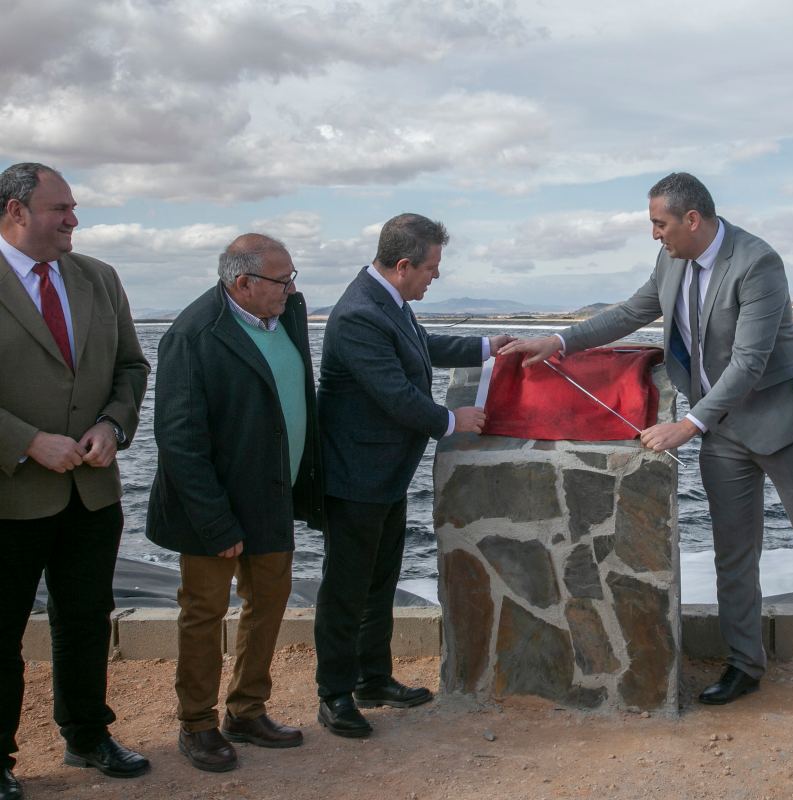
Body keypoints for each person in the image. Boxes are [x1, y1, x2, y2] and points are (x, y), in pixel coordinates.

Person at [500, 172, 793, 705]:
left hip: (780, 425)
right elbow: (630, 312)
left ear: (692, 219)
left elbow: (749, 362)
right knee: (733, 553)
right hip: (723, 429)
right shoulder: (669, 259)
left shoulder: (758, 262)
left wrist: (688, 424)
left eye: (660, 223)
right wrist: (557, 341)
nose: (655, 234)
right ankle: (745, 663)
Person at [315, 213, 512, 737]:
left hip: (385, 476)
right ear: (404, 266)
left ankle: (373, 679)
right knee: (346, 588)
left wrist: (487, 346)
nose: (436, 277)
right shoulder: (359, 314)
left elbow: (421, 348)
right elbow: (394, 395)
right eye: (432, 268)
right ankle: (334, 694)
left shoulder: (388, 301)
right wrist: (453, 420)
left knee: (379, 583)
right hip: (355, 478)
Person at [0, 162, 150, 798]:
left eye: (73, 207)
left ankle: (87, 736)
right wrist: (27, 442)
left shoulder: (98, 278)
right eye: (61, 208)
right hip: (9, 496)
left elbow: (132, 368)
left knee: (86, 619)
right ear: (15, 212)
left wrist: (113, 427)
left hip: (92, 491)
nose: (73, 220)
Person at [146, 234, 323, 772]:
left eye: (293, 277)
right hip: (212, 510)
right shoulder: (192, 334)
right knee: (204, 614)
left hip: (271, 499)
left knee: (267, 605)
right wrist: (216, 522)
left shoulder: (286, 311)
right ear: (241, 283)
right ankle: (196, 723)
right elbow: (178, 438)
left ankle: (246, 710)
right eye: (282, 279)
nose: (292, 288)